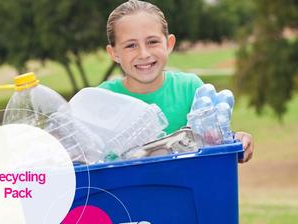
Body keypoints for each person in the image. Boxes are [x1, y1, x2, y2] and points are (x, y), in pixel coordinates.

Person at [99, 0, 253, 162]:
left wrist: (239, 139)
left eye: (152, 42)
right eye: (131, 45)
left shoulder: (190, 89)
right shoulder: (102, 98)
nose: (143, 53)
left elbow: (215, 142)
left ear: (169, 44)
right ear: (114, 53)